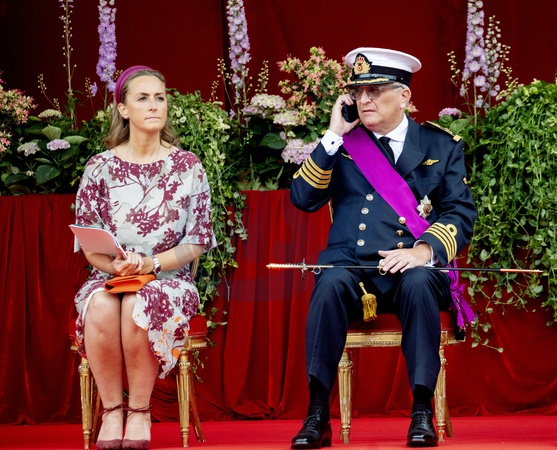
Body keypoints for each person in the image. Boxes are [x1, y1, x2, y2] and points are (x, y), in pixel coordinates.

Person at [289, 48, 477, 448]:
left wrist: (423, 251)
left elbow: (461, 213)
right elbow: (302, 198)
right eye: (358, 92)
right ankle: (317, 414)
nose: (364, 100)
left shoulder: (440, 145)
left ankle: (422, 411)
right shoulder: (342, 145)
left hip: (411, 267)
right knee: (329, 282)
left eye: (375, 91)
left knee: (420, 282)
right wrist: (332, 135)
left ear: (404, 95)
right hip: (352, 269)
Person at [73, 65, 216, 450]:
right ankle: (112, 411)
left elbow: (197, 242)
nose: (154, 106)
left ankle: (139, 411)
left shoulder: (188, 166)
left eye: (160, 98)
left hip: (169, 281)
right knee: (101, 304)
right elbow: (90, 244)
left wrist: (151, 264)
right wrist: (114, 266)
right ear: (123, 109)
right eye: (143, 98)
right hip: (111, 277)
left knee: (139, 301)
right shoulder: (99, 167)